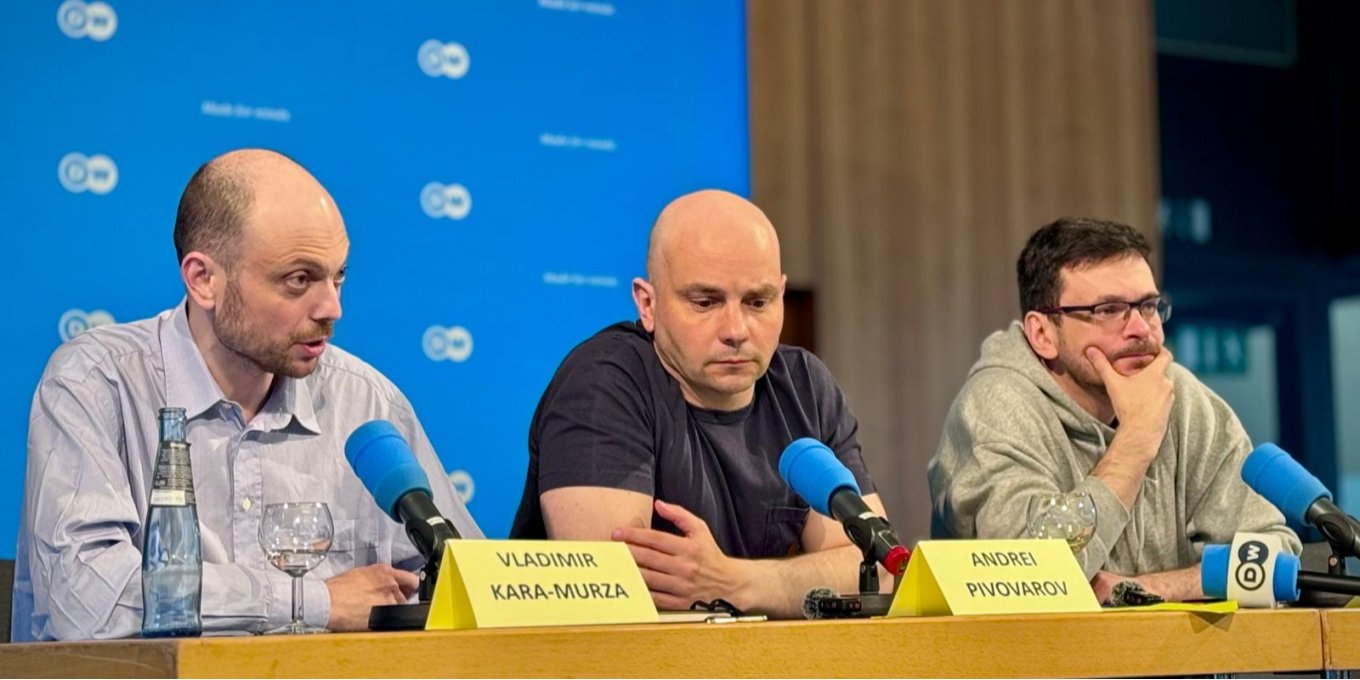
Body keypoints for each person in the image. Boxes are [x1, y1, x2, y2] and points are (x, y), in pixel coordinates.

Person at [12, 149, 481, 641]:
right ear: (203, 280)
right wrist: (316, 602)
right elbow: (87, 601)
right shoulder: (96, 382)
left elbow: (468, 589)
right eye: (298, 280)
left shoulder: (366, 402)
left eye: (338, 276)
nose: (332, 308)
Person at [510, 189, 889, 618]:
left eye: (758, 302)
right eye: (705, 302)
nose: (736, 329)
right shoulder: (604, 382)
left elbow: (871, 569)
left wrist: (733, 582)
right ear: (647, 304)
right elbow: (611, 592)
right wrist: (786, 581)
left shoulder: (804, 386)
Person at [928, 217, 1298, 602]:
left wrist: (1155, 588)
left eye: (1148, 306)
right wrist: (1135, 442)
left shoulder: (1185, 400)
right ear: (1043, 334)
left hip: (1173, 662)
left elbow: (1275, 555)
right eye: (1108, 310)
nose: (1141, 329)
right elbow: (1030, 575)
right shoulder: (996, 407)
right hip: (1035, 660)